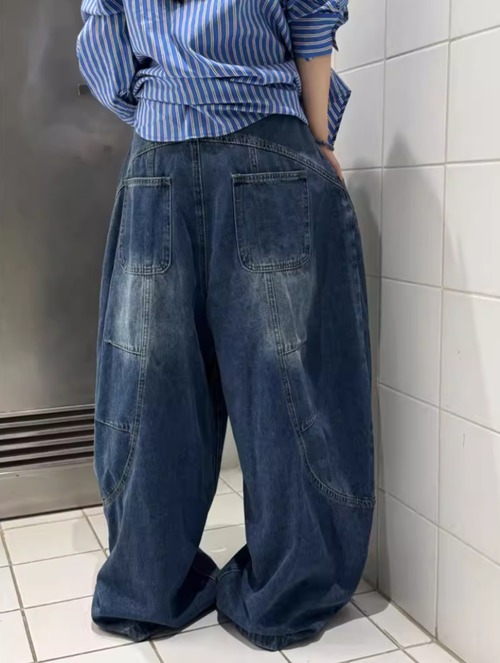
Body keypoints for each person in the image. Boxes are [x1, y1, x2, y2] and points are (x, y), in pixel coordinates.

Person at [77, 0, 374, 651]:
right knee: (290, 384)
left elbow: (103, 38)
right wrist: (320, 140)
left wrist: (167, 106)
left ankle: (148, 588)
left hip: (158, 155)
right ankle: (288, 593)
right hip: (268, 139)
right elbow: (312, 16)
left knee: (149, 384)